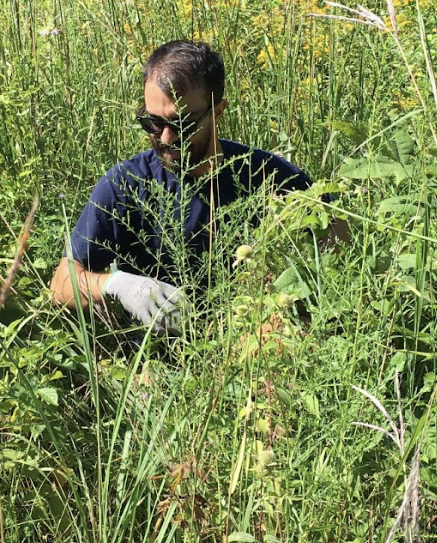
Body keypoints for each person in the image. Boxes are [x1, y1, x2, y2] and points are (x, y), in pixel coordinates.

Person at [49, 40, 321, 334]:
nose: (166, 138)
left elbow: (340, 251)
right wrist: (118, 285)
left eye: (183, 123)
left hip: (255, 348)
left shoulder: (270, 178)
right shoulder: (126, 184)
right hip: (159, 359)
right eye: (153, 122)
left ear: (217, 111)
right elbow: (62, 283)